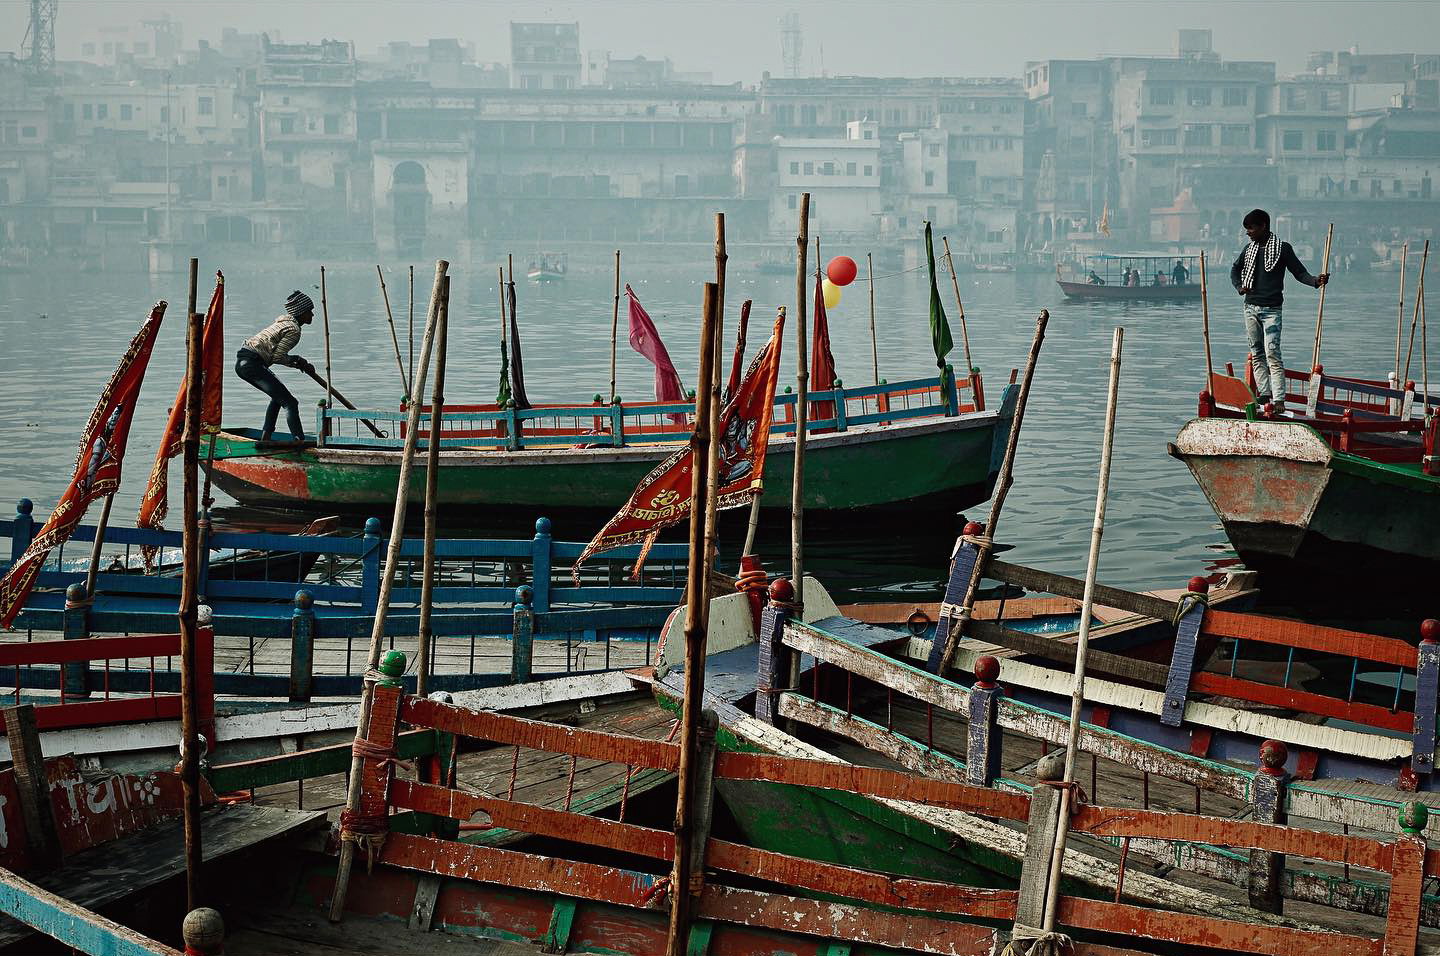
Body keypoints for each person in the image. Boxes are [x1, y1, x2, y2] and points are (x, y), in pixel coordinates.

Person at [1230, 209, 1329, 415]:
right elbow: (1234, 269)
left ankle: (1279, 399)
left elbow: (1299, 272)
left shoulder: (1282, 249)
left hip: (1272, 310)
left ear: (1263, 226)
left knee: (1273, 353)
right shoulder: (1249, 249)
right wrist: (1239, 286)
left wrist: (1315, 281)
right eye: (1247, 229)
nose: (1248, 232)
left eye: (1251, 228)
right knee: (1257, 354)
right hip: (1250, 308)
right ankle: (1264, 394)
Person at [235, 290, 316, 443]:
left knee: (278, 398)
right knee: (290, 403)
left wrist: (298, 362)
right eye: (309, 311)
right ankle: (299, 441)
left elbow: (275, 355)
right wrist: (299, 360)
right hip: (252, 363)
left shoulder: (283, 323)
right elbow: (277, 357)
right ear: (301, 313)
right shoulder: (294, 330)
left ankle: (265, 438)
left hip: (244, 362)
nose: (312, 315)